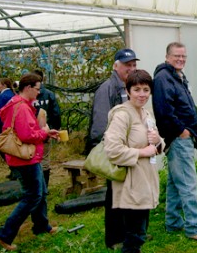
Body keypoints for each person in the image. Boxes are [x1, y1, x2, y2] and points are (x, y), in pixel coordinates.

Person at [152, 42, 197, 242]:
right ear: (167, 57)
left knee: (174, 182)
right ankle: (195, 227)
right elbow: (164, 110)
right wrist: (182, 131)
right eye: (176, 56)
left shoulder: (176, 76)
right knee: (189, 183)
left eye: (184, 56)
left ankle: (173, 222)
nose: (181, 59)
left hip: (181, 138)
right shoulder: (164, 78)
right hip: (179, 138)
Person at [0, 73, 60, 251]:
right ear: (28, 88)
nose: (39, 93)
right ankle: (4, 234)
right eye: (37, 89)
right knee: (32, 196)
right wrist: (44, 133)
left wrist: (46, 132)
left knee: (41, 191)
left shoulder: (17, 104)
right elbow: (26, 135)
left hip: (26, 158)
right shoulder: (21, 108)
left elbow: (28, 129)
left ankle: (41, 225)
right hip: (24, 159)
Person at [104, 69, 163, 253]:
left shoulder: (147, 114)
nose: (142, 94)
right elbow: (112, 150)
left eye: (146, 90)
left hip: (146, 179)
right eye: (137, 89)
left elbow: (157, 144)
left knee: (138, 230)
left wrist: (158, 142)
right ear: (128, 91)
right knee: (134, 235)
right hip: (131, 181)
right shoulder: (122, 115)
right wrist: (142, 152)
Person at [87, 48, 139, 249]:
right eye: (127, 65)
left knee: (128, 192)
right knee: (115, 194)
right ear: (115, 66)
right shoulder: (107, 88)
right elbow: (100, 123)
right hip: (115, 149)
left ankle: (130, 234)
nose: (131, 68)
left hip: (128, 150)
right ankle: (115, 238)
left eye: (134, 65)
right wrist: (108, 147)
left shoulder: (130, 88)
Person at [31, 69, 62, 187]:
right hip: (45, 131)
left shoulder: (28, 95)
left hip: (31, 132)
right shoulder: (49, 94)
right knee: (44, 159)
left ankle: (37, 186)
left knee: (32, 158)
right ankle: (44, 186)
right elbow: (55, 113)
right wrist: (55, 128)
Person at [0, 78, 17, 180]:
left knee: (3, 148)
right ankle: (14, 170)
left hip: (4, 126)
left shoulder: (3, 96)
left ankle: (14, 169)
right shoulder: (13, 94)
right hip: (13, 126)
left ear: (4, 85)